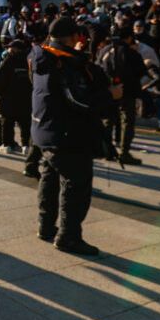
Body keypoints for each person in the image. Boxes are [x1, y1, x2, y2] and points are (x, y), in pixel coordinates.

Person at [32, 17, 113, 255]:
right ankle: (68, 236)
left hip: (45, 129)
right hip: (67, 135)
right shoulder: (62, 63)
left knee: (49, 178)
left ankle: (46, 226)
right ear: (73, 37)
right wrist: (110, 96)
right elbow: (79, 100)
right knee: (75, 185)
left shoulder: (40, 56)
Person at [97, 27, 147, 165]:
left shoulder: (104, 51)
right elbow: (141, 71)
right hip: (127, 92)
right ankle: (124, 152)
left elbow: (97, 67)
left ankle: (106, 150)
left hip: (108, 90)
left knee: (108, 121)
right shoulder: (131, 52)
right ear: (129, 38)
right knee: (127, 122)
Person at [0, 40, 32, 154]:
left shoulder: (8, 60)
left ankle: (7, 145)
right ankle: (26, 145)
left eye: (10, 48)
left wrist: (0, 92)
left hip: (9, 97)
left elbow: (1, 80)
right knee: (25, 122)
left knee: (7, 122)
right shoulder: (30, 60)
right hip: (26, 97)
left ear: (16, 49)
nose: (8, 50)